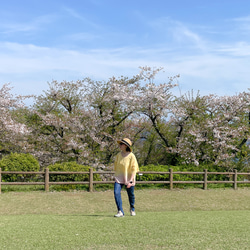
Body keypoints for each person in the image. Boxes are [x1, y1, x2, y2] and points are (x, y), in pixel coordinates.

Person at [113, 138, 139, 217]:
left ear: (125, 146)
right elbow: (116, 167)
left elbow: (134, 169)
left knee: (130, 194)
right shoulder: (118, 155)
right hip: (119, 178)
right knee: (116, 192)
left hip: (129, 178)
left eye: (121, 144)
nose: (119, 145)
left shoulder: (131, 156)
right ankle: (120, 211)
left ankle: (132, 208)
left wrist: (130, 181)